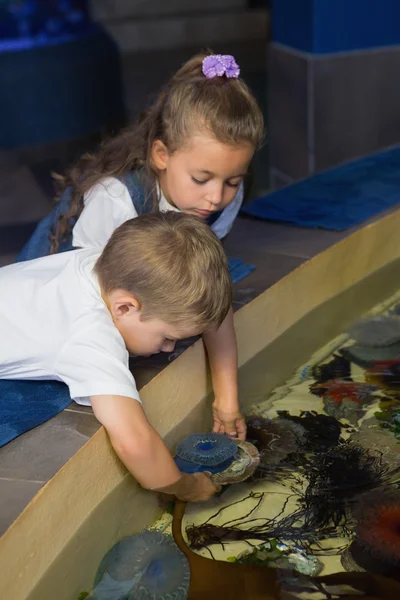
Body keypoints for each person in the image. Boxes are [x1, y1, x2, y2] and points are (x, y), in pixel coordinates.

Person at [17, 51, 264, 439]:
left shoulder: (219, 195)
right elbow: (94, 304)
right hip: (63, 279)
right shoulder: (115, 201)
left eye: (232, 182)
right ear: (161, 155)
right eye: (202, 178)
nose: (217, 197)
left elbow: (207, 286)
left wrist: (226, 399)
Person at [0, 213, 233, 502]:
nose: (169, 349)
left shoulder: (103, 263)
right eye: (167, 337)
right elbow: (134, 442)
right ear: (124, 307)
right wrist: (186, 487)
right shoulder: (91, 335)